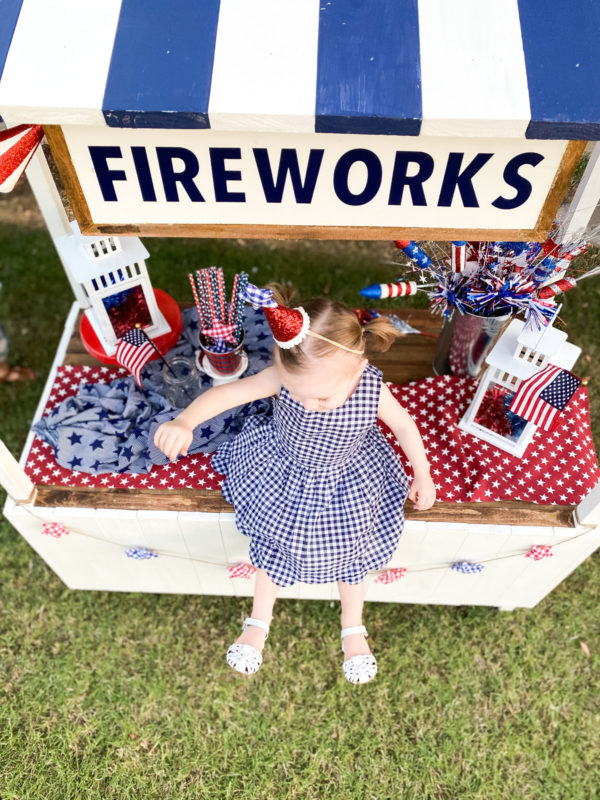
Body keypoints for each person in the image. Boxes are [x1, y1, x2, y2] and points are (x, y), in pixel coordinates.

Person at [153, 284, 436, 684]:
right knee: (275, 541)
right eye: (297, 395)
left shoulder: (370, 387)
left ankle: (353, 627)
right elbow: (231, 394)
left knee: (354, 545)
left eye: (319, 397)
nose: (306, 404)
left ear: (356, 367)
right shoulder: (285, 376)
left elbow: (405, 428)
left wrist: (422, 474)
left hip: (349, 476)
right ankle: (258, 622)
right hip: (285, 469)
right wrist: (185, 421)